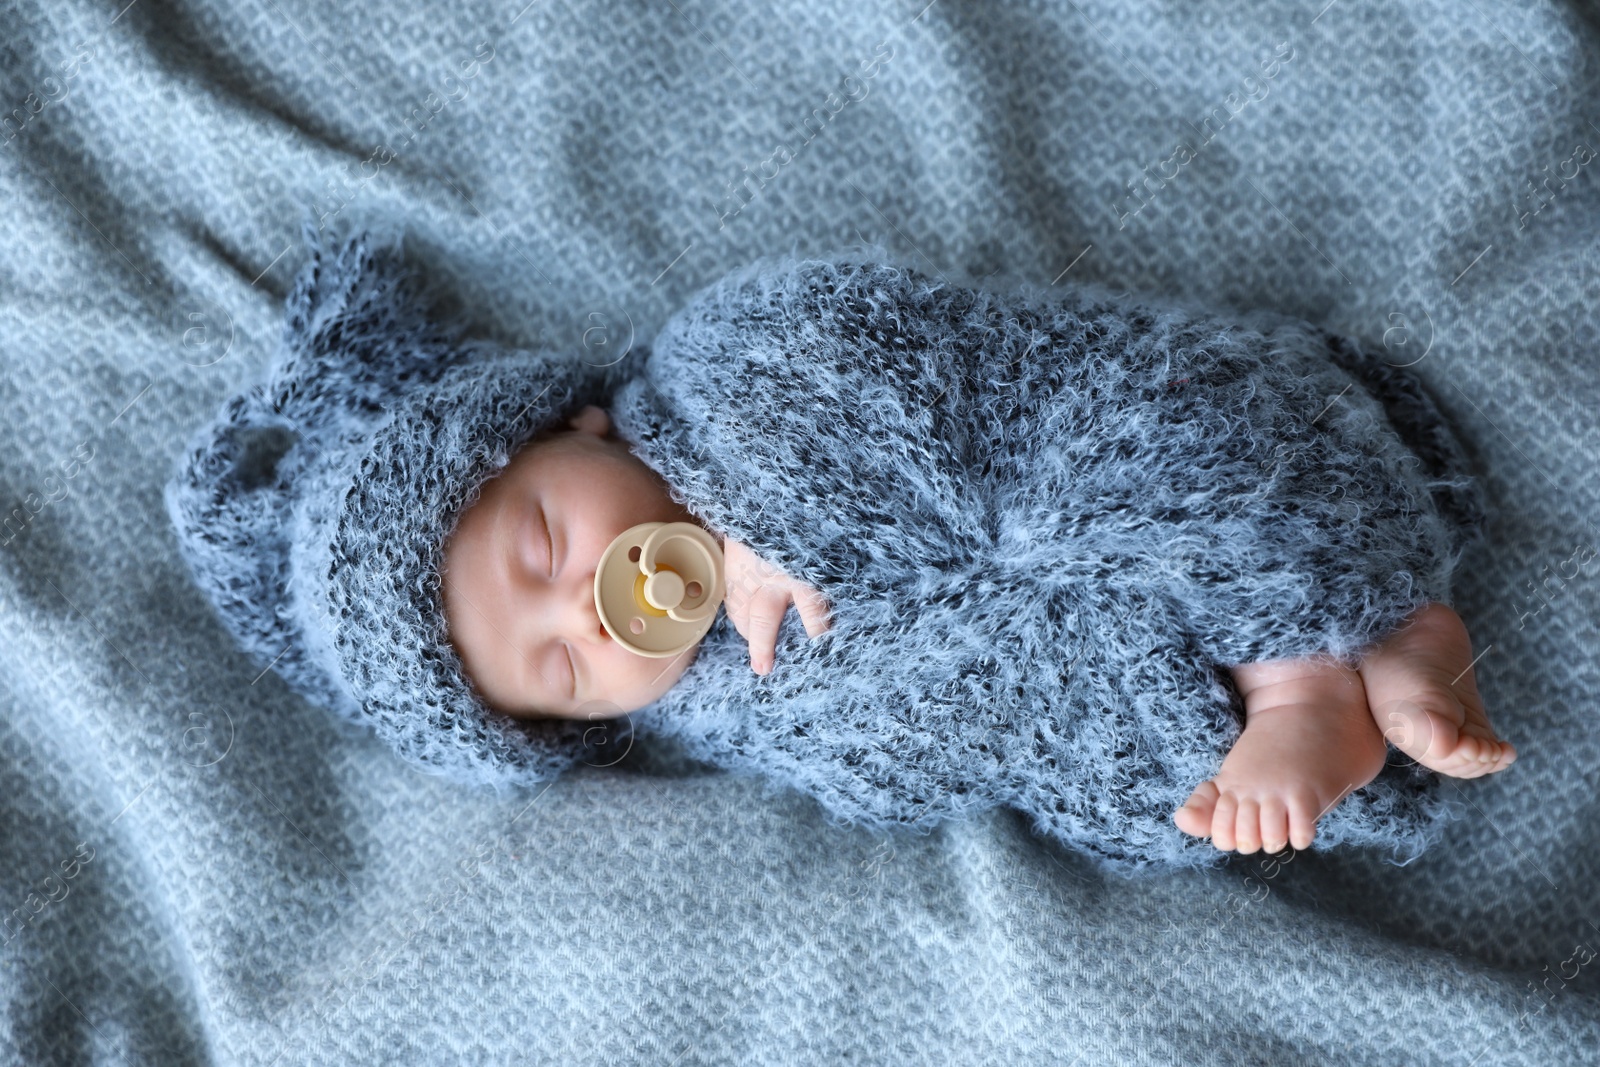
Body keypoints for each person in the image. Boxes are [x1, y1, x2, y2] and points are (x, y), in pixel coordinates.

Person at [165, 229, 1515, 878]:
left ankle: (1310, 665)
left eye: (540, 541)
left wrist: (758, 513)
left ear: (569, 426)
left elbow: (885, 349)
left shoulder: (718, 370)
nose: (589, 603)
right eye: (564, 666)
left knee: (1140, 453)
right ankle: (1380, 655)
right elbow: (907, 747)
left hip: (1062, 451)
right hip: (1062, 660)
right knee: (1090, 762)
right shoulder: (715, 711)